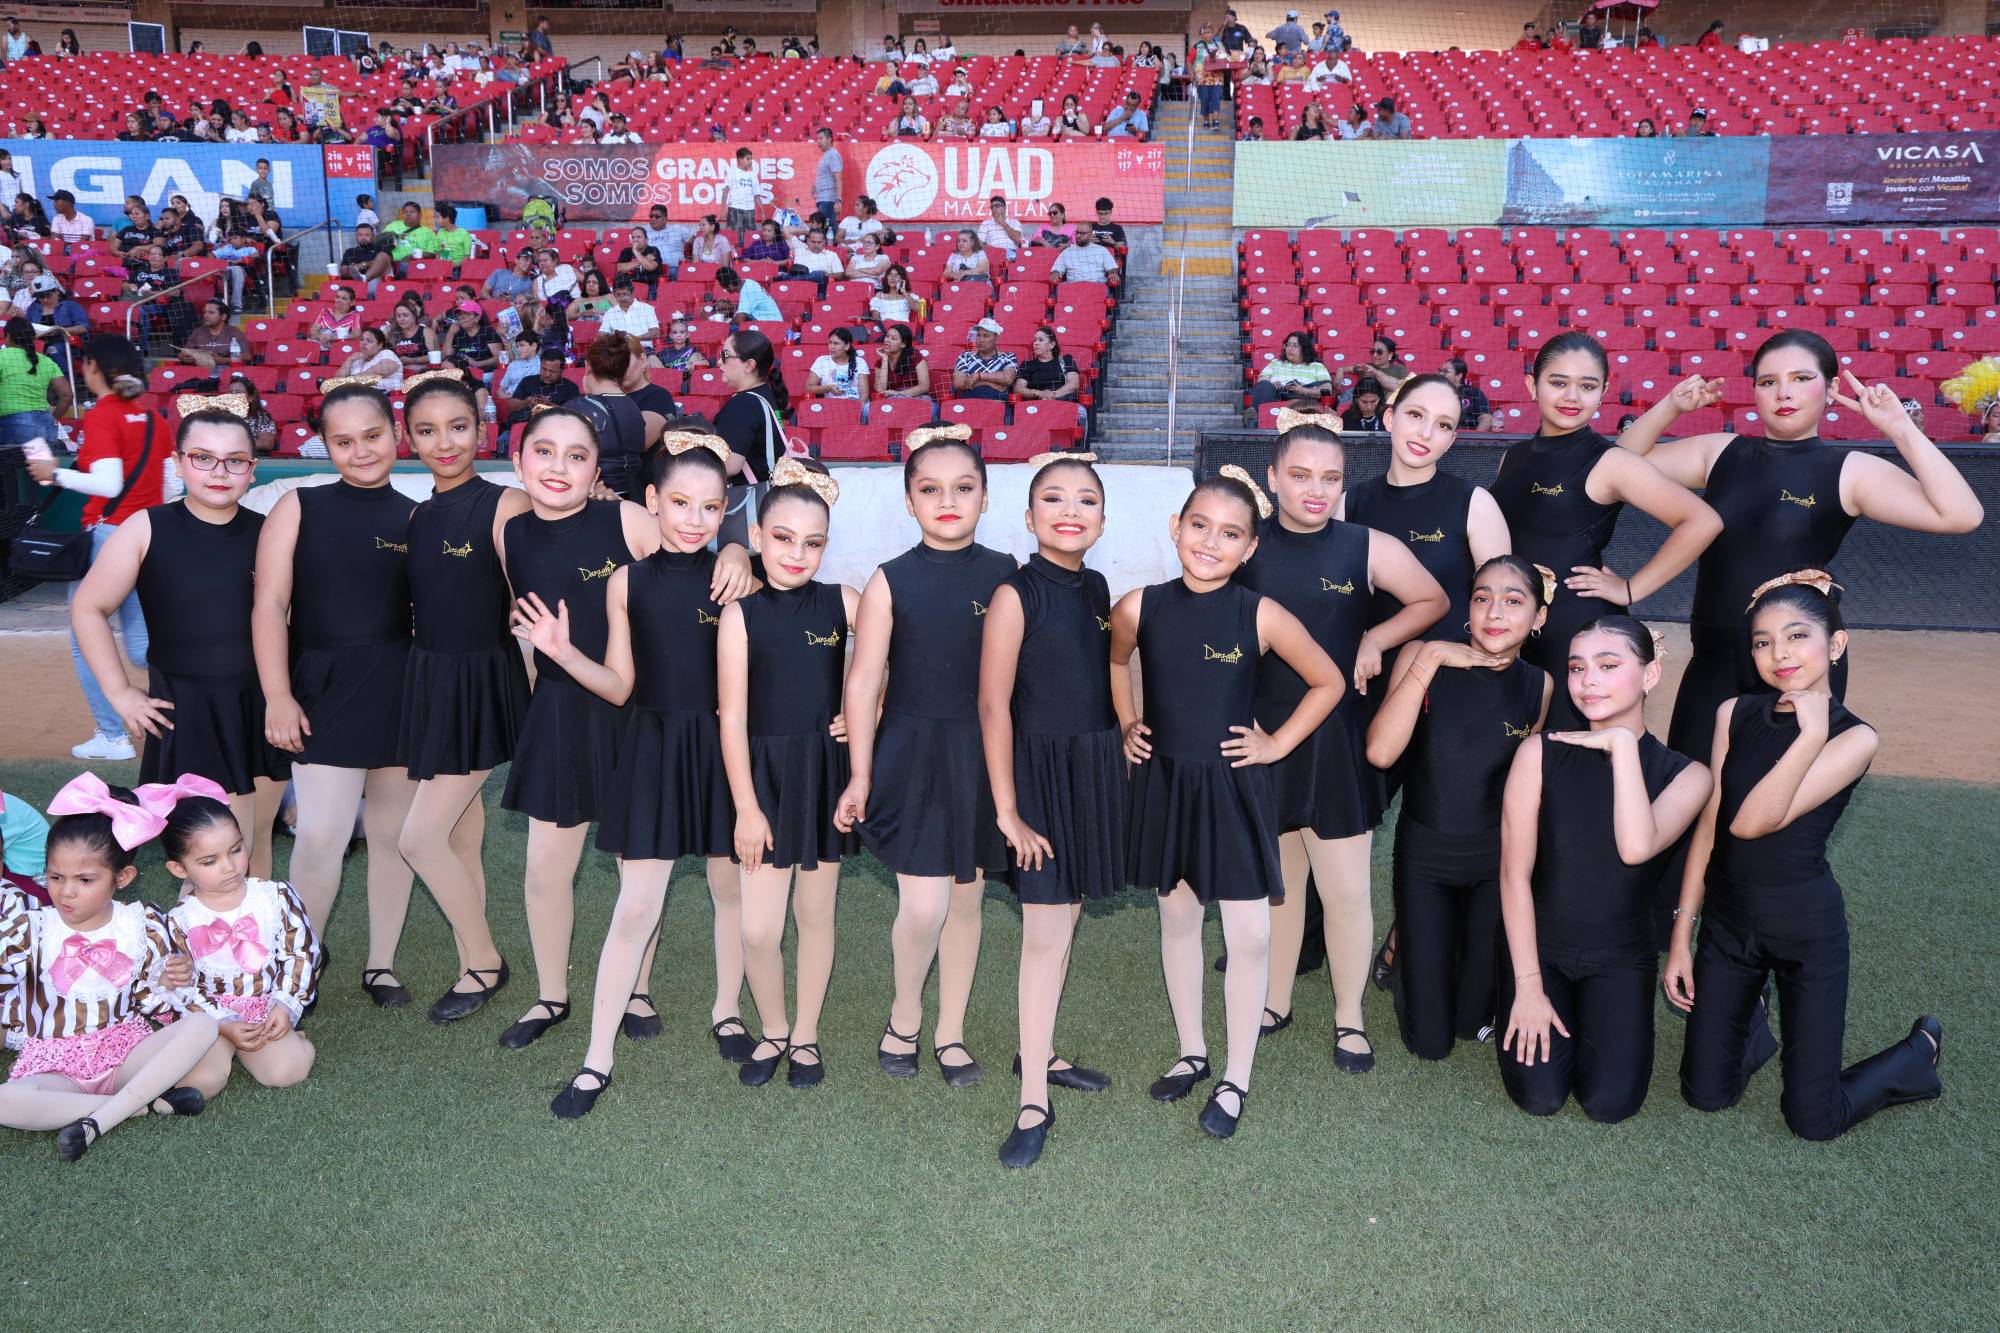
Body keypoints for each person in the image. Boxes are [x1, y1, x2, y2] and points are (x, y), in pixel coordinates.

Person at [513, 434, 750, 1116]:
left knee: (727, 886)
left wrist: (740, 552)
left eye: (710, 507)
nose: (693, 518)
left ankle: (727, 1009)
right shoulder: (626, 580)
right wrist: (562, 652)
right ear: (652, 501)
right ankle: (596, 1057)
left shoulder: (736, 577)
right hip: (648, 749)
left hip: (722, 749)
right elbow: (618, 685)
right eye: (679, 502)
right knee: (636, 904)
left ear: (725, 509)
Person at [1617, 331, 1982, 765]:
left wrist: (1900, 429)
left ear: (1830, 389)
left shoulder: (1851, 471)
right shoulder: (1719, 452)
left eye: (1801, 378)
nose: (1783, 392)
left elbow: (1962, 515)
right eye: (1768, 381)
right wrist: (1670, 408)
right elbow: (1618, 466)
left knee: (1771, 813)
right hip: (1713, 658)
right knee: (1689, 790)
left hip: (1795, 663)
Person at [1667, 575, 1944, 1139]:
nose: (1780, 654)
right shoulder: (1734, 713)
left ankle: (1914, 1058)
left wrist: (1811, 734)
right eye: (1763, 641)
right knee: (1705, 1095)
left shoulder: (1854, 737)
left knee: (1813, 1120)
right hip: (1728, 929)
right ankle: (1754, 1029)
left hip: (1805, 937)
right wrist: (1682, 935)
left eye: (1797, 636)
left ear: (1835, 645)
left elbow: (1752, 822)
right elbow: (1714, 824)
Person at [1110, 468, 1342, 1138]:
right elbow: (1115, 661)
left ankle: (1236, 1075)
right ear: (1176, 528)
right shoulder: (1138, 604)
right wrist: (1129, 721)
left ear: (1249, 549)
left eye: (1230, 533)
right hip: (1167, 784)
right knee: (1178, 918)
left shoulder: (1260, 613)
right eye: (1200, 524)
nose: (1211, 541)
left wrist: (1277, 744)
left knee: (1248, 934)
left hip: (1235, 787)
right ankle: (1192, 1049)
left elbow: (1326, 680)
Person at [1236, 421, 1447, 1067]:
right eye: (1300, 475)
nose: (1315, 490)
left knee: (1348, 889)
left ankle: (1349, 1016)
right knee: (1279, 881)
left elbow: (1431, 598)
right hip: (1259, 733)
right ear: (1272, 478)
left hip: (1335, 739)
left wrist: (1376, 639)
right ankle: (1275, 998)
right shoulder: (1243, 545)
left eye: (1330, 477)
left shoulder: (1364, 545)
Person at [836, 427, 1017, 1088]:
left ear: (986, 497)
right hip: (911, 753)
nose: (948, 500)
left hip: (979, 752)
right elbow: (863, 682)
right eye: (931, 489)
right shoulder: (891, 580)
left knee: (965, 900)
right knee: (923, 907)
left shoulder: (1007, 576)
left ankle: (951, 1030)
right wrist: (860, 770)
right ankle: (904, 1014)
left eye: (964, 488)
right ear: (909, 500)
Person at [1496, 617, 1711, 1123]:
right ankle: (1503, 994)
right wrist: (1527, 986)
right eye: (1577, 668)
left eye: (1608, 666)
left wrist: (1620, 747)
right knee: (1540, 1097)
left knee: (1609, 1103)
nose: (1587, 680)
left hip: (1621, 957)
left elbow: (1637, 847)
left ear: (1650, 676)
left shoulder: (1688, 775)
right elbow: (1513, 875)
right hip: (1539, 950)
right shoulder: (1538, 752)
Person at [973, 453, 1122, 1166]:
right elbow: (993, 705)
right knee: (1044, 934)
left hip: (1091, 769)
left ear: (1101, 517)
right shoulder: (1014, 593)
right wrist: (1008, 809)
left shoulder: (1096, 585)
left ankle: (1042, 1050)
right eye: (1054, 499)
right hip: (1035, 778)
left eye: (1086, 499)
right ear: (1029, 519)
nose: (1071, 509)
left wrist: (1126, 730)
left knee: (1066, 923)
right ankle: (1033, 1096)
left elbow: (1104, 672)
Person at [251, 384, 419, 1005]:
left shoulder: (413, 514)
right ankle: (301, 960)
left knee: (391, 832)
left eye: (371, 436)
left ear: (394, 434)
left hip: (401, 687)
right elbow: (269, 604)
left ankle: (381, 964)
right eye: (343, 441)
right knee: (322, 832)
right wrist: (277, 695)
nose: (361, 451)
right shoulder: (299, 505)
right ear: (324, 444)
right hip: (321, 687)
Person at [70, 411, 286, 877]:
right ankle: (201, 942)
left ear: (252, 469)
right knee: (208, 851)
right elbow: (88, 607)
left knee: (255, 839)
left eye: (234, 461)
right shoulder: (147, 527)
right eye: (204, 458)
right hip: (189, 711)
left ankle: (263, 936)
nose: (219, 472)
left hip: (260, 708)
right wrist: (119, 692)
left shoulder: (269, 531)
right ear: (179, 462)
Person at [1366, 552, 1552, 1059]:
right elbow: (1381, 751)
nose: (1495, 613)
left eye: (1514, 602)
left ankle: (1420, 936)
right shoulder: (1423, 657)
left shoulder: (1540, 686)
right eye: (1482, 599)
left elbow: (1525, 789)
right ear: (1468, 609)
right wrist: (1429, 660)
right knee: (1431, 1042)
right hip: (1425, 857)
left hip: (1494, 863)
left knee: (1473, 1021)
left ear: (1538, 618)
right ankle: (1405, 939)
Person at [712, 459, 859, 1091]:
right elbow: (732, 717)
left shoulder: (843, 602)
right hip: (762, 781)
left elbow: (899, 661)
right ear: (758, 536)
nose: (797, 554)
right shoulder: (741, 615)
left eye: (813, 542)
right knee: (758, 926)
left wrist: (868, 709)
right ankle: (772, 1027)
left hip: (824, 775)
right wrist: (746, 807)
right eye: (782, 538)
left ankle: (804, 1035)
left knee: (816, 912)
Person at [1489, 332, 1722, 729]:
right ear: (1532, 385)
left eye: (1587, 386)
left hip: (1575, 633)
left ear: (1604, 392)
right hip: (1512, 627)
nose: (1572, 396)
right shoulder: (1513, 457)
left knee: (1571, 758)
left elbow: (1702, 521)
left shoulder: (1612, 462)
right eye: (1558, 382)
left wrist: (1631, 588)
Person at [393, 374, 527, 1015]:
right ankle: (474, 950)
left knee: (418, 839)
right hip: (431, 679)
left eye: (458, 426)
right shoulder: (418, 513)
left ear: (482, 429)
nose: (443, 442)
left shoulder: (506, 504)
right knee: (458, 837)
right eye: (426, 430)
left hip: (484, 683)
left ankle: (484, 963)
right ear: (408, 437)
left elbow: (539, 588)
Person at [0, 776, 220, 1161]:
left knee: (202, 1025)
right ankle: (137, 1107)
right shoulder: (31, 927)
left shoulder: (141, 924)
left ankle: (100, 1118)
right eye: (55, 877)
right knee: (4, 1102)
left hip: (125, 1055)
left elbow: (151, 1004)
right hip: (54, 1070)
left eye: (85, 880)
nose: (66, 891)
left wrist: (169, 979)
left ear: (123, 878)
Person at [24, 336, 162, 763]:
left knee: (87, 639)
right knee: (144, 646)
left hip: (109, 536)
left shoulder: (104, 415)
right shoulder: (152, 415)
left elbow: (107, 485)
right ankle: (187, 705)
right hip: (149, 533)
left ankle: (111, 734)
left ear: (95, 369)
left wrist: (55, 474)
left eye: (85, 364)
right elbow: (169, 481)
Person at [161, 793, 322, 1096]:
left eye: (236, 850)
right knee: (201, 1082)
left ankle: (294, 1039)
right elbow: (181, 986)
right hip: (209, 1016)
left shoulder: (274, 898)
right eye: (209, 861)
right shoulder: (179, 920)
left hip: (266, 1008)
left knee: (288, 1071)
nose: (230, 866)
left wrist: (286, 1005)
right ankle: (220, 1048)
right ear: (179, 869)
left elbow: (300, 953)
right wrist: (222, 1024)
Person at [712, 330, 790, 534]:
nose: (719, 362)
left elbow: (729, 465)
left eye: (725, 355)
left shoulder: (743, 403)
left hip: (746, 509)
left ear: (749, 365)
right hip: (770, 503)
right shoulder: (764, 395)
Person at [573, 334, 651, 501]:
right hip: (632, 501)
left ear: (587, 367)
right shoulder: (634, 408)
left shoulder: (577, 408)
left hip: (594, 501)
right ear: (623, 370)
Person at [0, 313, 69, 446]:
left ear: (8, 337)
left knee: (15, 466)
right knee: (43, 466)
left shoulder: (2, 356)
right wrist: (53, 418)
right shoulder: (46, 360)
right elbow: (67, 395)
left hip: (14, 425)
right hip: (46, 424)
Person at [1252, 331, 1332, 408]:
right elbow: (1262, 382)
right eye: (1288, 345)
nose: (1290, 349)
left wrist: (1303, 391)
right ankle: (1259, 416)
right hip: (1276, 401)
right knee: (1264, 385)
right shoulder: (1275, 363)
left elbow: (1327, 390)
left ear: (1304, 349)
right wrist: (1273, 385)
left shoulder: (1317, 367)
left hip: (1303, 403)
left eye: (1295, 346)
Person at [805, 326, 869, 410]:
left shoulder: (860, 362)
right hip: (832, 407)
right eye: (830, 343)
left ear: (847, 346)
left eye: (836, 343)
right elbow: (809, 387)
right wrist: (828, 388)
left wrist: (857, 410)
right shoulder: (821, 361)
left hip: (856, 404)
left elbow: (864, 393)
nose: (832, 347)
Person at [953, 318, 1016, 401]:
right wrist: (986, 382)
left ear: (996, 339)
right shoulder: (965, 356)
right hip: (969, 404)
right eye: (978, 335)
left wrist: (978, 376)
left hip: (996, 404)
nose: (980, 340)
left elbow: (1007, 378)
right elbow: (959, 383)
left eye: (986, 335)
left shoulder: (1008, 357)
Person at [178, 300, 247, 375]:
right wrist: (186, 358)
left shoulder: (234, 332)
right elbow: (182, 354)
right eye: (205, 312)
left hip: (227, 374)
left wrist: (222, 360)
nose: (206, 316)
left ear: (223, 316)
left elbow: (247, 356)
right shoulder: (198, 332)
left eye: (211, 313)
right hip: (201, 374)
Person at [874, 322, 931, 404]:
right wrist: (885, 359)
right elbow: (880, 390)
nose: (888, 340)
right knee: (867, 409)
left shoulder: (915, 356)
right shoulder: (880, 362)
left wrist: (898, 393)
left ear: (903, 344)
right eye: (887, 336)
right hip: (892, 400)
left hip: (916, 397)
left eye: (893, 338)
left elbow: (924, 387)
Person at [1049, 226, 1120, 289]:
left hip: (1097, 287)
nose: (1079, 236)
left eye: (1083, 233)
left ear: (1091, 234)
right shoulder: (1067, 252)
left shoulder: (1101, 250)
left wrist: (1113, 274)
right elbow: (1056, 269)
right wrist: (1055, 273)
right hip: (1072, 288)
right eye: (1077, 233)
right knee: (1060, 288)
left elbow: (1112, 268)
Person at [338, 326, 405, 390]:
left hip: (386, 395)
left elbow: (379, 372)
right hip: (359, 394)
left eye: (369, 341)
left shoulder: (387, 353)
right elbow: (338, 380)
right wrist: (349, 360)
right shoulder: (357, 359)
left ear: (380, 345)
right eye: (362, 340)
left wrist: (349, 381)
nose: (364, 343)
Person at [598, 279, 659, 346]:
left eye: (625, 294)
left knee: (652, 357)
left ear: (632, 293)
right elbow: (602, 334)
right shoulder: (610, 313)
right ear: (614, 295)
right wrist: (615, 339)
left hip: (644, 350)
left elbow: (655, 333)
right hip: (618, 351)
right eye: (618, 295)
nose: (622, 298)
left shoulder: (646, 308)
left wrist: (633, 339)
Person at [1442, 356, 1495, 431]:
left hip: (1466, 436)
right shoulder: (1435, 392)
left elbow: (1486, 418)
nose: (1441, 374)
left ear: (1458, 376)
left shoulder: (1474, 393)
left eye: (1445, 371)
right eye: (1440, 370)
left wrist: (1475, 438)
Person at [386, 301, 439, 375]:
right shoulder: (392, 334)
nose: (402, 319)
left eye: (405, 315)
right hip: (398, 374)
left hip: (423, 373)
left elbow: (436, 357)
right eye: (398, 316)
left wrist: (412, 360)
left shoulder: (427, 332)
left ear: (414, 316)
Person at [339, 222, 394, 292]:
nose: (363, 237)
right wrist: (350, 269)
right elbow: (344, 271)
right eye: (360, 235)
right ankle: (362, 280)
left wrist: (362, 265)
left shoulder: (381, 246)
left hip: (379, 280)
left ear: (373, 236)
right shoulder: (350, 252)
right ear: (356, 236)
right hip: (357, 285)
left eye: (367, 235)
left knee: (383, 256)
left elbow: (388, 261)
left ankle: (364, 278)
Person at [716, 265, 781, 324]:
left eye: (724, 287)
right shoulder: (748, 282)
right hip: (766, 322)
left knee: (730, 330)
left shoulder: (747, 290)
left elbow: (740, 320)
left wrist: (725, 328)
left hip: (772, 325)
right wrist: (731, 307)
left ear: (730, 286)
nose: (724, 289)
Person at [811, 127, 843, 230]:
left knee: (826, 227)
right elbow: (826, 176)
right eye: (817, 139)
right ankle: (834, 244)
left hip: (828, 199)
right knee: (826, 227)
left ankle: (835, 244)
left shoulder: (833, 155)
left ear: (829, 139)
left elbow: (839, 179)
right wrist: (815, 186)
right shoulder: (827, 155)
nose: (818, 142)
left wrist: (838, 200)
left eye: (821, 138)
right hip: (822, 198)